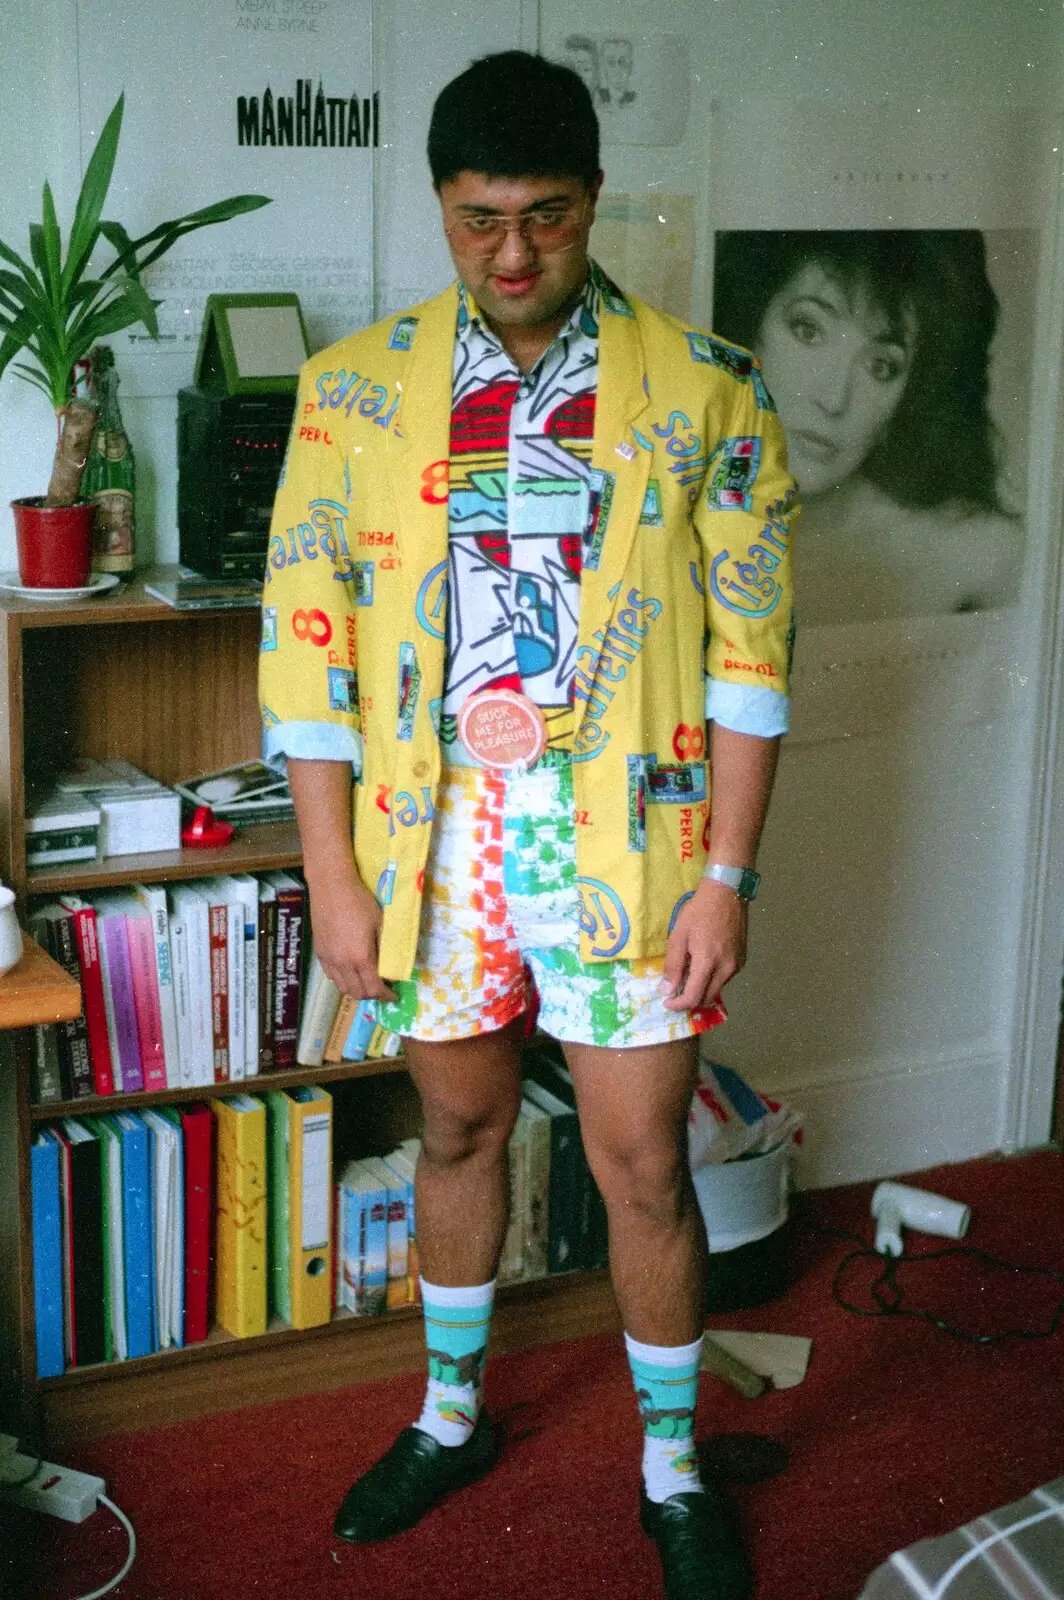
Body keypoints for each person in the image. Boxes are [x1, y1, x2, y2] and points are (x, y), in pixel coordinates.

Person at [259, 51, 795, 1600]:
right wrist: (334, 874)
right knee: (458, 1129)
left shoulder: (708, 390)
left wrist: (729, 878)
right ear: (440, 205)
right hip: (437, 849)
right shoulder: (352, 391)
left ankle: (675, 1469)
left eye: (546, 219)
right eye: (480, 218)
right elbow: (306, 655)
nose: (512, 255)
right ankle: (446, 1419)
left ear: (594, 203)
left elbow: (758, 660)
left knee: (641, 1169)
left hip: (629, 844)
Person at [713, 229, 1022, 625]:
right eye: (808, 331)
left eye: (881, 366)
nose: (834, 399)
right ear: (748, 327)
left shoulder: (978, 559)